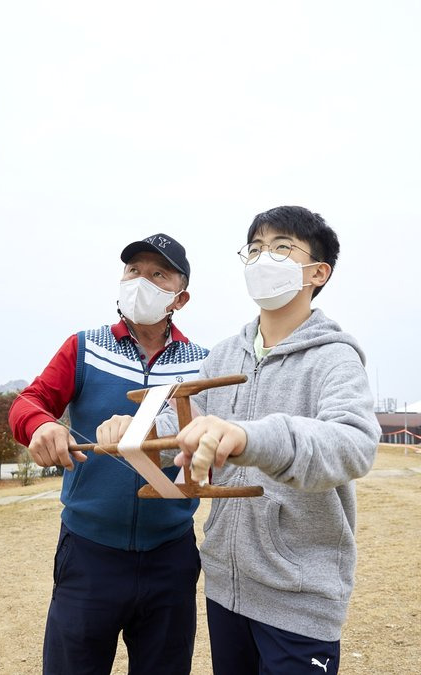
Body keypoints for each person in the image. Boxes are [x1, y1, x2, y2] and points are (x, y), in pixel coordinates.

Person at [98, 206, 381, 674]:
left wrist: (248, 437)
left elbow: (352, 445)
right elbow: (181, 429)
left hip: (299, 597)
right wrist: (140, 430)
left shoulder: (335, 357)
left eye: (281, 248)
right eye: (254, 249)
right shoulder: (226, 354)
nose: (263, 258)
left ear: (318, 271)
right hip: (226, 587)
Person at [8, 233, 208, 675]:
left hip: (171, 553)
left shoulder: (202, 363)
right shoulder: (84, 346)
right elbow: (30, 401)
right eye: (133, 271)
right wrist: (39, 425)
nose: (142, 281)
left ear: (181, 297)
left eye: (158, 274)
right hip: (88, 551)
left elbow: (214, 442)